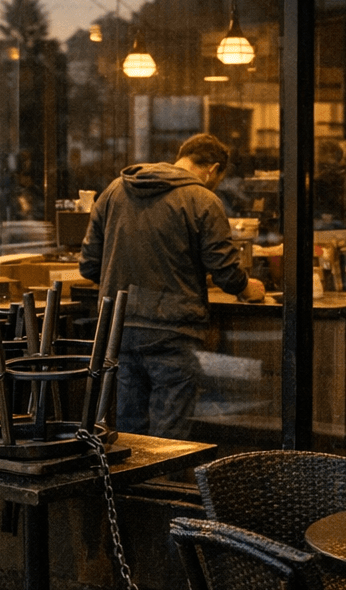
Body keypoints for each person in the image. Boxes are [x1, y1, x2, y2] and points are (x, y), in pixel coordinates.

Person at [80, 133, 264, 439]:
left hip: (119, 330)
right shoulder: (203, 200)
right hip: (174, 332)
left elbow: (88, 265)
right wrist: (247, 288)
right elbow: (225, 271)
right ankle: (166, 486)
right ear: (213, 168)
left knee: (129, 432)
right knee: (170, 436)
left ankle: (132, 488)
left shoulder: (113, 191)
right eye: (218, 178)